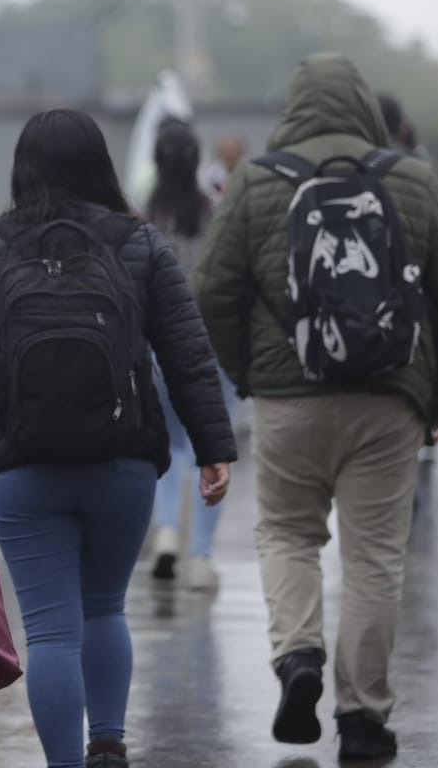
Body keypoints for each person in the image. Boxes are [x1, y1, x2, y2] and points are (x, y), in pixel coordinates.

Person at [193, 54, 438, 761]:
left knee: (287, 533)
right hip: (390, 397)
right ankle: (363, 718)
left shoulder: (256, 181)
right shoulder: (411, 179)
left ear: (293, 108)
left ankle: (298, 655)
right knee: (375, 554)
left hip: (288, 398)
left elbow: (210, 289)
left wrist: (249, 372)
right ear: (364, 108)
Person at [0, 108, 235, 768]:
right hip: (121, 460)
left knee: (49, 630)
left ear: (22, 169)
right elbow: (187, 353)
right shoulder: (140, 244)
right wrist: (213, 447)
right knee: (104, 608)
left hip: (19, 465)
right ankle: (108, 743)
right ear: (101, 166)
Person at [144, 118, 238, 591]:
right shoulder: (215, 213)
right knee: (211, 449)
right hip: (210, 347)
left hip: (157, 348)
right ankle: (200, 556)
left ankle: (165, 531)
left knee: (168, 445)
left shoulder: (143, 221)